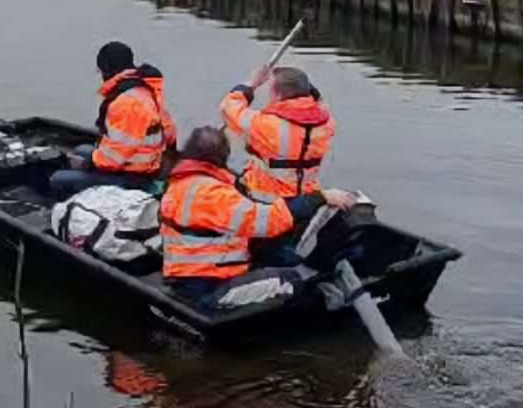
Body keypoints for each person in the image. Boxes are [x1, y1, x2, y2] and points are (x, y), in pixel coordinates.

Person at [160, 126, 354, 305]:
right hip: (211, 288)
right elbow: (269, 222)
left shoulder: (179, 185)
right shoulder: (214, 194)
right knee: (294, 278)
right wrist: (319, 198)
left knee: (276, 253)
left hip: (188, 275)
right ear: (221, 158)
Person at [49, 41, 177, 198]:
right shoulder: (145, 90)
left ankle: (65, 214)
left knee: (58, 179)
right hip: (148, 166)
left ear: (108, 70)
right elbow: (170, 136)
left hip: (132, 177)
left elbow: (116, 158)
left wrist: (86, 164)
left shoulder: (124, 104)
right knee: (82, 149)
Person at [220, 64, 334, 205]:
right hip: (306, 198)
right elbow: (319, 101)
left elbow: (229, 108)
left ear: (278, 95)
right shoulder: (326, 122)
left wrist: (250, 84)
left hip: (267, 200)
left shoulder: (267, 125)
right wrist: (303, 86)